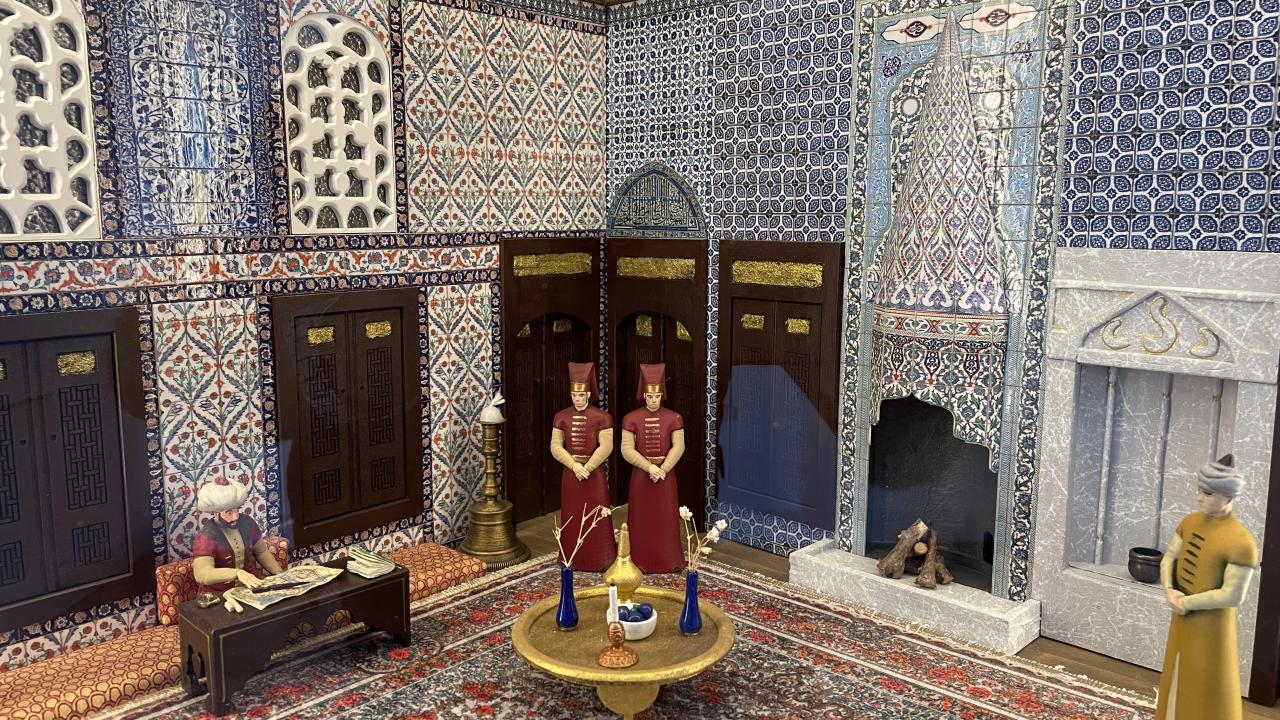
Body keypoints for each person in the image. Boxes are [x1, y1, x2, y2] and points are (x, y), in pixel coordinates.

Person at [1156, 454, 1259, 720]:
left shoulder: (1242, 542)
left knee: (1209, 682)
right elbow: (1169, 558)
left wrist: (1185, 603)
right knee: (1177, 671)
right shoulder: (1189, 522)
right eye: (1200, 491)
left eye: (1208, 493)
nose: (1200, 498)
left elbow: (1232, 595)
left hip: (1213, 626)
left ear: (1228, 496)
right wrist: (1169, 590)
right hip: (1181, 616)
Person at [550, 362, 617, 571]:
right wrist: (573, 465)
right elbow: (555, 446)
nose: (577, 399)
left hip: (593, 474)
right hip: (571, 474)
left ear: (588, 394)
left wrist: (588, 467)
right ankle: (571, 557)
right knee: (571, 515)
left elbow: (606, 446)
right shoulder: (561, 417)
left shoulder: (603, 418)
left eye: (581, 395)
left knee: (597, 514)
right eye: (574, 395)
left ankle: (601, 558)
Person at [621, 363, 685, 573]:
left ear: (662, 396)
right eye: (650, 397)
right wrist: (649, 467)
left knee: (666, 518)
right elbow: (626, 450)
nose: (654, 400)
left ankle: (669, 560)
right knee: (641, 518)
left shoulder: (674, 418)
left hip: (665, 475)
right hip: (642, 476)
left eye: (657, 397)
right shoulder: (630, 419)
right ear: (644, 396)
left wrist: (663, 469)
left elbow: (679, 446)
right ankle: (639, 560)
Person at [191, 478, 284, 595]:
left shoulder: (247, 523)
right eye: (229, 512)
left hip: (250, 588)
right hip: (219, 594)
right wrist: (237, 573)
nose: (235, 517)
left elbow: (261, 552)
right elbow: (202, 574)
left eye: (237, 510)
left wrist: (280, 574)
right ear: (216, 513)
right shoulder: (206, 536)